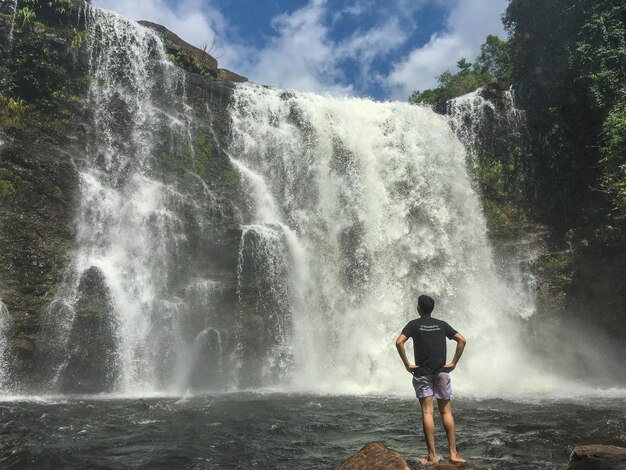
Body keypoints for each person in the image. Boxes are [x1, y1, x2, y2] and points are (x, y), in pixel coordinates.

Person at [395, 294, 467, 465]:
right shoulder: (441, 324)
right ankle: (453, 454)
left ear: (419, 308)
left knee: (428, 412)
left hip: (422, 372)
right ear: (432, 309)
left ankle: (431, 457)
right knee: (446, 412)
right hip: (442, 371)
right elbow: (462, 340)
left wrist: (407, 364)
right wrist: (454, 363)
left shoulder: (413, 324)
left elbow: (399, 342)